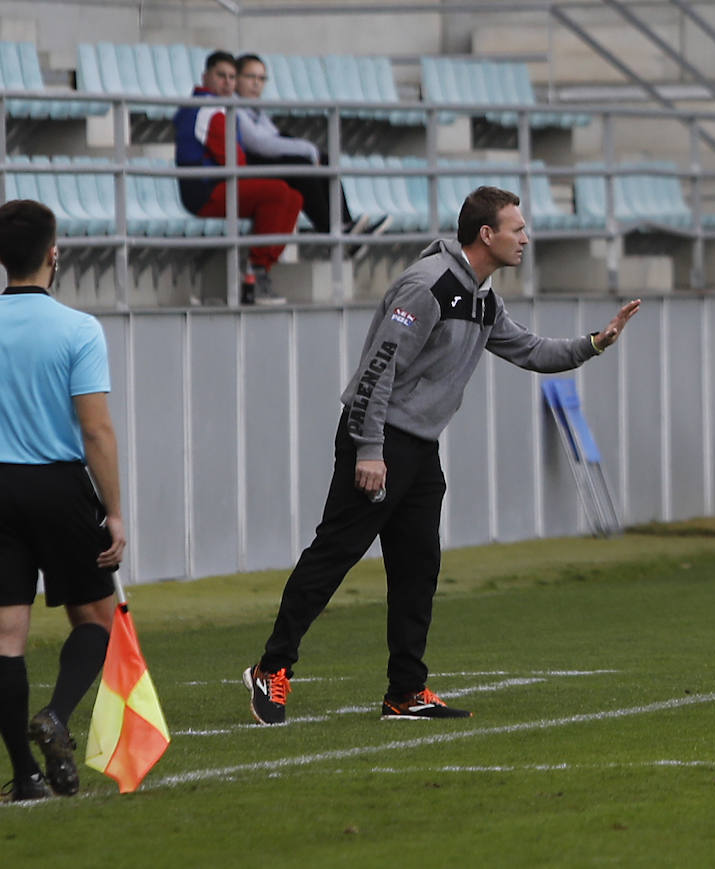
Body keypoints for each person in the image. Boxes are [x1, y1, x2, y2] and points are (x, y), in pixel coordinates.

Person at [244, 186, 641, 724]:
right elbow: (378, 369)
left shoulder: (482, 297)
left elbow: (529, 349)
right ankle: (271, 667)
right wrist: (370, 449)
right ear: (487, 234)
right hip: (378, 439)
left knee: (418, 567)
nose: (525, 238)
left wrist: (594, 342)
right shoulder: (429, 286)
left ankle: (405, 692)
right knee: (334, 555)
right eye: (517, 228)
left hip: (419, 449)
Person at [0, 200, 128, 801]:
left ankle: (26, 777)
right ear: (53, 253)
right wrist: (115, 511)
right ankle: (57, 716)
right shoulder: (78, 329)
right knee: (96, 622)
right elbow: (95, 430)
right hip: (61, 487)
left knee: (5, 637)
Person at [173, 50, 304, 304]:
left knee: (294, 197)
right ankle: (255, 271)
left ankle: (261, 267)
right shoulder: (208, 110)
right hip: (205, 192)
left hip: (220, 186)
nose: (227, 83)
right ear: (205, 77)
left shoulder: (220, 108)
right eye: (220, 76)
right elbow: (234, 160)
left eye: (232, 77)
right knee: (278, 193)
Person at [234, 54, 388, 242]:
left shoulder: (255, 109)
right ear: (236, 78)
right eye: (250, 77)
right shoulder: (234, 108)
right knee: (302, 167)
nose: (256, 84)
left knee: (324, 160)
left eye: (261, 78)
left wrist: (308, 150)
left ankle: (346, 224)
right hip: (247, 168)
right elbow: (259, 143)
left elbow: (273, 137)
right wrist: (306, 149)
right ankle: (331, 231)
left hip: (260, 163)